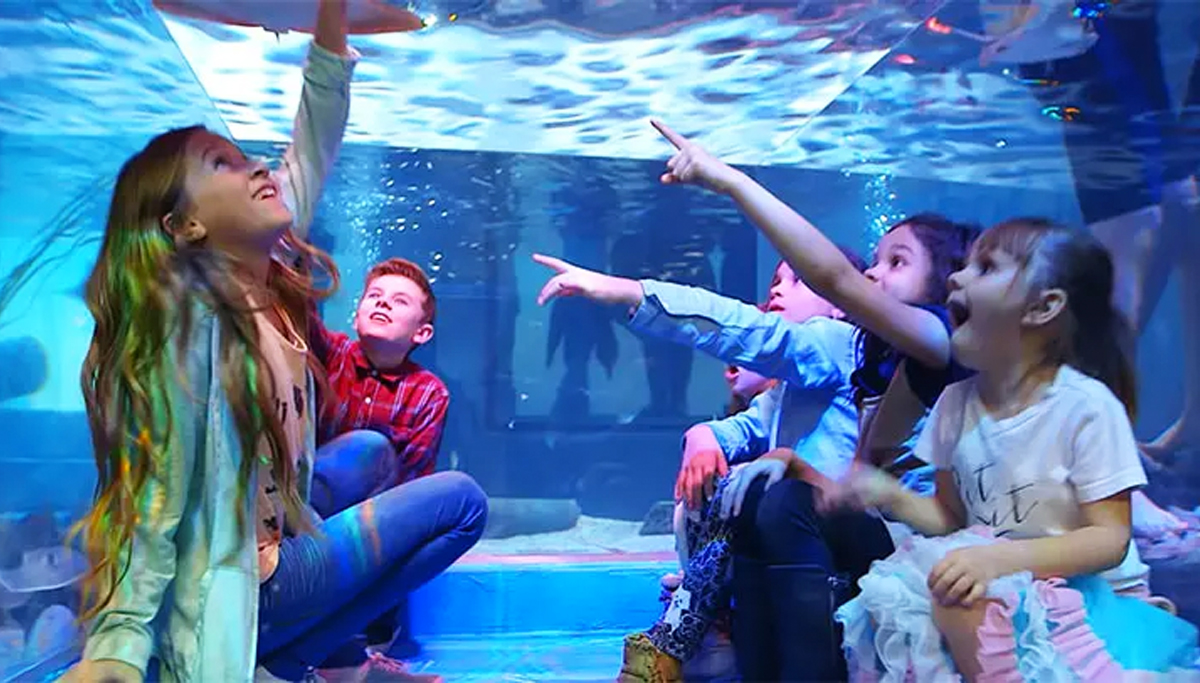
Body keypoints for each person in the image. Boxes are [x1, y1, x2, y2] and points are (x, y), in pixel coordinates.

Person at [59, 2, 487, 680]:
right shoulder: (187, 325)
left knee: (372, 450)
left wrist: (331, 15)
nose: (259, 165)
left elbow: (313, 137)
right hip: (255, 579)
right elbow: (151, 503)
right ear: (186, 225)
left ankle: (300, 650)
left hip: (273, 522)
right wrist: (115, 649)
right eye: (222, 164)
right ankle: (288, 652)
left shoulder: (258, 278)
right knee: (462, 500)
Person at [634, 120, 977, 680]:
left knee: (786, 502)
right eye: (876, 259)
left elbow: (829, 283)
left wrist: (729, 181)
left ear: (946, 287)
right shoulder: (884, 367)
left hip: (921, 544)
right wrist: (767, 457)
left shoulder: (938, 344)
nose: (873, 271)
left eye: (897, 262)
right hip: (881, 523)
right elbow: (859, 483)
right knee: (763, 494)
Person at [829, 218, 1200, 680]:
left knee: (965, 596)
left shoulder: (1086, 406)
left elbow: (1109, 539)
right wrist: (890, 494)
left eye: (984, 268)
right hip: (998, 589)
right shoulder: (953, 405)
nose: (955, 277)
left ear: (1043, 308)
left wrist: (1001, 559)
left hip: (1087, 600)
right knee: (931, 590)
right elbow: (953, 519)